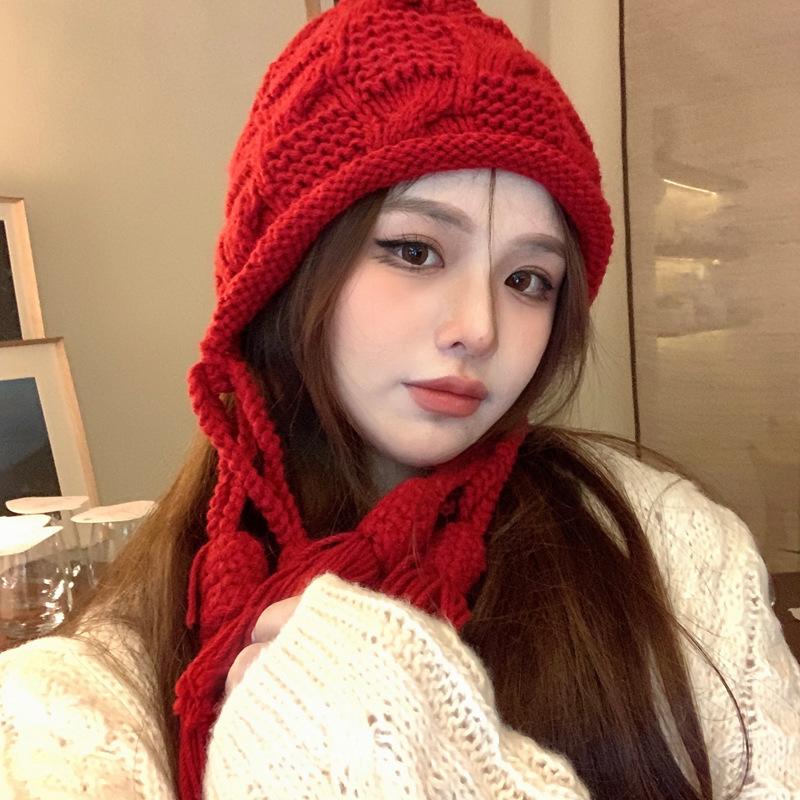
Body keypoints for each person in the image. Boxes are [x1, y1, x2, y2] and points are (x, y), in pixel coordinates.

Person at [1, 0, 798, 798]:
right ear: (286, 269)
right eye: (414, 250)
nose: (479, 328)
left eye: (528, 279)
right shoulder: (85, 705)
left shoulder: (671, 553)